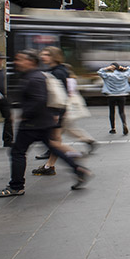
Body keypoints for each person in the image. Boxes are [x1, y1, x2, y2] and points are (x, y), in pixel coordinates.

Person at [0, 51, 91, 197]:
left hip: (32, 124)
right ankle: (78, 169)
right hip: (42, 122)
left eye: (20, 59)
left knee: (17, 152)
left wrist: (24, 116)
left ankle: (16, 186)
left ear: (31, 62)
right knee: (54, 148)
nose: (16, 62)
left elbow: (39, 100)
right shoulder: (36, 75)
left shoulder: (34, 78)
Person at [34, 47, 80, 176]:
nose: (43, 56)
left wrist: (56, 113)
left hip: (55, 111)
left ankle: (74, 156)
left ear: (54, 56)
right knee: (55, 139)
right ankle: (51, 165)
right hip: (56, 111)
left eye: (47, 54)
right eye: (42, 54)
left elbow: (59, 95)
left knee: (53, 140)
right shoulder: (56, 70)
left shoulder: (58, 72)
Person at [97, 62, 130, 135]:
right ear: (119, 68)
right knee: (121, 111)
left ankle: (113, 128)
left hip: (111, 95)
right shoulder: (124, 75)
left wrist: (107, 68)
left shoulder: (108, 75)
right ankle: (124, 123)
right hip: (122, 95)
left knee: (112, 112)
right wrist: (123, 68)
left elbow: (99, 72)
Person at [0, 51, 12, 147]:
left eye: (2, 59)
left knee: (9, 117)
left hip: (1, 97)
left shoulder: (3, 70)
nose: (1, 61)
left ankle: (8, 140)